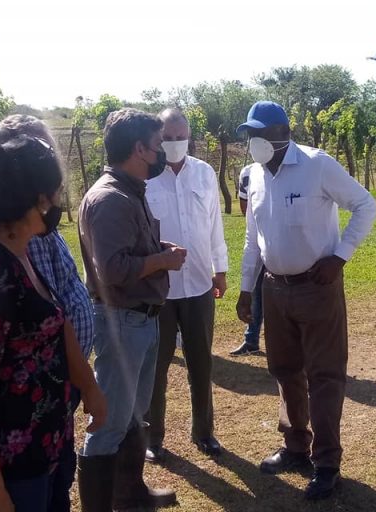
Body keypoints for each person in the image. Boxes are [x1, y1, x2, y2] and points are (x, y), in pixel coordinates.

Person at [0, 135, 106, 512]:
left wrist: (89, 388)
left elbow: (56, 325)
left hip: (41, 448)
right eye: (56, 192)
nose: (59, 201)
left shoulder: (20, 252)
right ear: (38, 200)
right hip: (3, 468)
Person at [235, 101, 376, 500]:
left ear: (284, 131)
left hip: (317, 287)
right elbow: (253, 240)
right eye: (249, 134)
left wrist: (340, 255)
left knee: (325, 377)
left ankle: (327, 461)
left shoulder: (318, 165)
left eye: (260, 132)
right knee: (284, 371)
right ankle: (296, 445)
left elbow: (366, 205)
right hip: (274, 289)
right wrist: (247, 288)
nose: (254, 141)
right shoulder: (256, 176)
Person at [77, 108, 185, 511]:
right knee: (108, 425)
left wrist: (159, 253)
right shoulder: (110, 199)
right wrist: (162, 261)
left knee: (132, 417)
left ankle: (130, 495)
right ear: (139, 148)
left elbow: (129, 252)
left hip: (140, 320)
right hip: (121, 322)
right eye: (157, 146)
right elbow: (114, 269)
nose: (162, 154)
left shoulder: (130, 192)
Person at [143, 108, 228, 462]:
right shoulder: (145, 177)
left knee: (200, 363)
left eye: (181, 137)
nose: (176, 144)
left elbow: (213, 224)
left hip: (198, 285)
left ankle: (204, 433)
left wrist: (219, 268)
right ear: (157, 140)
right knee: (156, 367)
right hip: (158, 289)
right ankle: (153, 437)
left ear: (189, 136)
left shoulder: (205, 173)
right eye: (168, 138)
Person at [230, 164, 263, 356]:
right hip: (258, 243)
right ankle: (251, 340)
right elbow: (246, 207)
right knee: (255, 292)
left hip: (282, 248)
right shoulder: (248, 172)